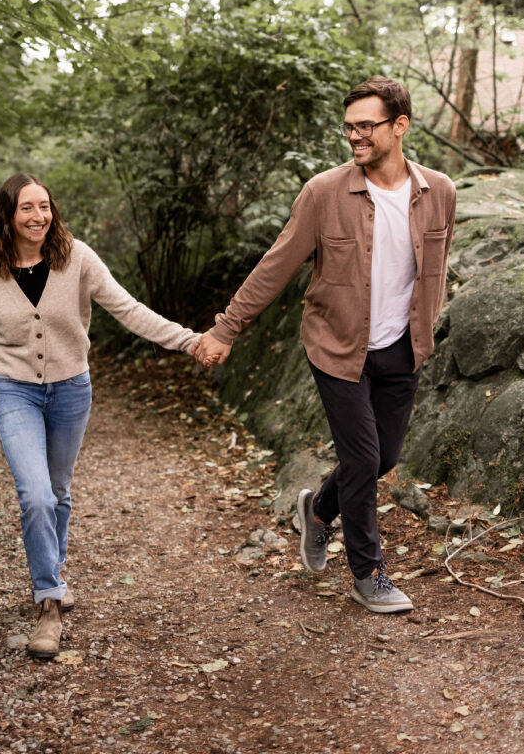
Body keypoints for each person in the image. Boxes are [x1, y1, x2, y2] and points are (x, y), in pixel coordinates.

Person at [193, 78, 456, 614]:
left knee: (384, 458)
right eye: (349, 126)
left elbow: (436, 269)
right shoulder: (323, 193)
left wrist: (425, 328)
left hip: (402, 348)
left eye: (366, 126)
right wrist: (226, 327)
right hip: (338, 346)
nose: (355, 136)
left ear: (399, 126)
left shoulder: (439, 192)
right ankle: (369, 573)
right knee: (361, 457)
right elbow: (276, 266)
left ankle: (318, 510)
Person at [0, 173, 199, 658]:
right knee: (35, 496)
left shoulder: (77, 259)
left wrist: (190, 340)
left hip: (71, 388)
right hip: (13, 392)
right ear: (7, 215)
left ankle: (54, 571)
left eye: (44, 206)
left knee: (59, 492)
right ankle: (48, 599)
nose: (38, 216)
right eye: (26, 208)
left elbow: (129, 310)